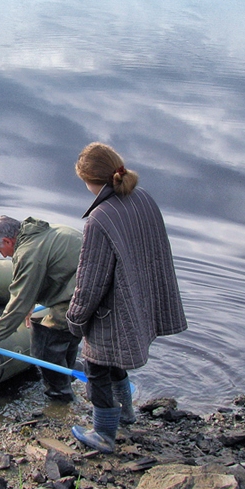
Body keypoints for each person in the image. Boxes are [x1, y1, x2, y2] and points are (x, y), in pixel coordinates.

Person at [67, 143, 187, 453]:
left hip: (113, 310)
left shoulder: (99, 219)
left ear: (88, 179)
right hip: (140, 296)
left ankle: (103, 434)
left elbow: (90, 280)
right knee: (114, 360)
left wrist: (75, 318)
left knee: (96, 368)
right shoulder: (141, 197)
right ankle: (126, 412)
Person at [0, 215, 83, 401]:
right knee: (66, 336)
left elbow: (19, 299)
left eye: (0, 250)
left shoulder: (28, 252)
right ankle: (67, 378)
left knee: (44, 345)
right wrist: (31, 302)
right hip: (87, 288)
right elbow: (45, 273)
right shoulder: (42, 233)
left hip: (81, 295)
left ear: (8, 241)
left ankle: (60, 397)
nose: (4, 256)